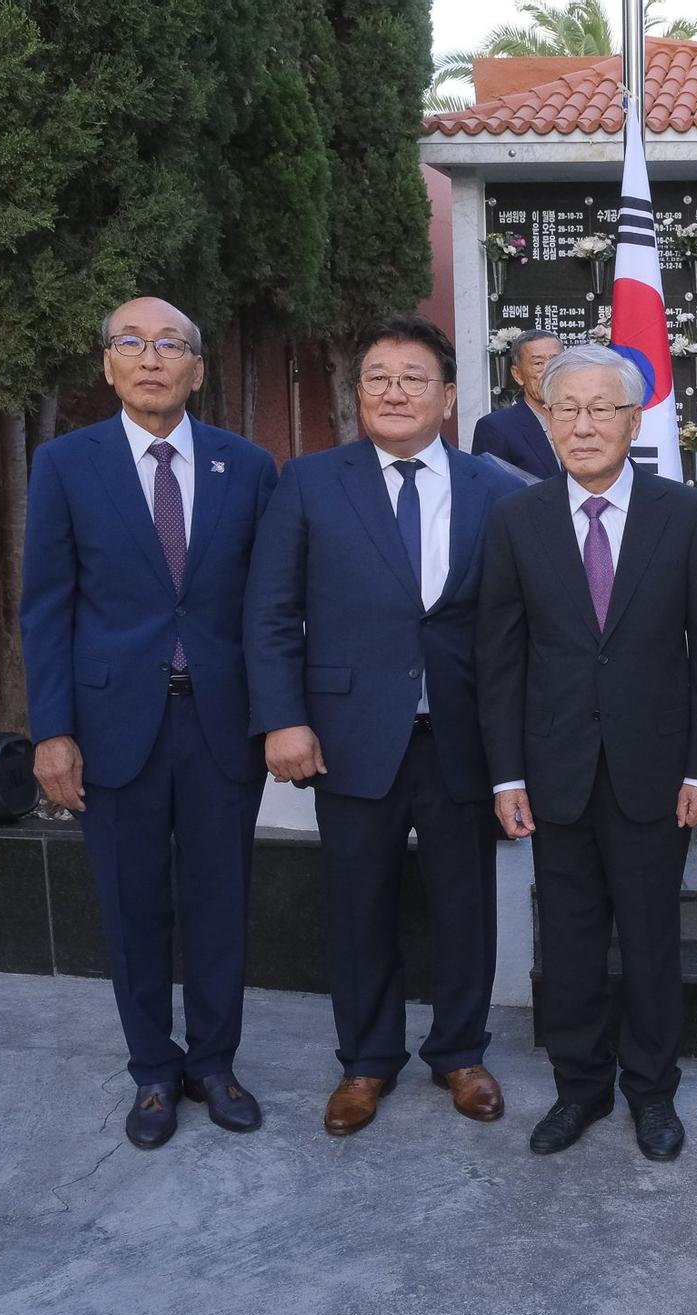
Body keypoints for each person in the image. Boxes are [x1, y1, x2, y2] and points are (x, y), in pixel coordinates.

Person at [245, 314, 522, 1136]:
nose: (394, 392)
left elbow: (517, 627)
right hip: (348, 733)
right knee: (357, 904)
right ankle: (366, 1062)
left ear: (449, 398)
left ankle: (461, 1052)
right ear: (359, 392)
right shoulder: (309, 482)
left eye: (413, 379)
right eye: (378, 378)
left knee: (465, 904)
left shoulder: (497, 489)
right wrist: (282, 719)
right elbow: (270, 612)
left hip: (462, 735)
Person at [21, 297, 278, 1149]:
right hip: (112, 725)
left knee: (220, 901)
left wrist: (279, 714)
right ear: (108, 366)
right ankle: (153, 1073)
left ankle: (214, 1062)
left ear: (196, 369)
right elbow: (46, 607)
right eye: (130, 343)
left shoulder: (248, 466)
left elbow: (268, 606)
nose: (151, 358)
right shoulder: (66, 464)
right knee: (130, 908)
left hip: (221, 722)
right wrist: (53, 730)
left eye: (170, 344)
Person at [480, 344, 697, 1161]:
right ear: (546, 420)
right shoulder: (516, 518)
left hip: (654, 770)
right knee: (571, 940)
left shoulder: (684, 514)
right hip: (554, 771)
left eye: (601, 409)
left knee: (651, 940)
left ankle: (652, 1092)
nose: (583, 425)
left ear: (632, 421)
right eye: (567, 410)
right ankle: (579, 1089)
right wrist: (507, 775)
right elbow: (500, 659)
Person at [471, 328, 564, 478]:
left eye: (556, 361)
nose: (549, 371)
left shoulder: (582, 420)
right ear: (517, 375)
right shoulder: (496, 428)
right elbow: (491, 486)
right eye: (538, 363)